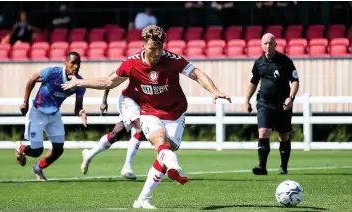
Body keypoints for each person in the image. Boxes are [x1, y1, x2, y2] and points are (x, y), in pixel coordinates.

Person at [61, 25, 231, 209]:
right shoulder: (131, 63)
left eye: (159, 49)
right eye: (152, 49)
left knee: (164, 155)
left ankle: (143, 198)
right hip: (150, 112)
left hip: (175, 113)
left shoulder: (172, 60)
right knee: (160, 142)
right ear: (143, 45)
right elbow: (108, 82)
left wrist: (214, 90)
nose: (156, 54)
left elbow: (196, 74)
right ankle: (175, 167)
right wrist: (79, 81)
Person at [14, 51, 87, 181]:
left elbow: (77, 107)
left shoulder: (79, 83)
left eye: (78, 63)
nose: (76, 66)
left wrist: (80, 113)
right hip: (37, 112)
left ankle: (38, 168)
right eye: (73, 63)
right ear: (65, 63)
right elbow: (32, 79)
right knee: (37, 151)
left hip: (54, 114)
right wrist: (25, 102)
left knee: (58, 149)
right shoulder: (53, 72)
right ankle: (20, 148)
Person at [245, 33, 299, 175]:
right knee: (263, 132)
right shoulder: (258, 63)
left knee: (283, 135)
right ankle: (262, 167)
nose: (268, 46)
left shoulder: (285, 61)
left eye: (270, 43)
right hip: (264, 103)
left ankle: (283, 166)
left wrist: (291, 98)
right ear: (261, 45)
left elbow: (294, 81)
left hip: (282, 105)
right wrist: (247, 100)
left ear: (276, 44)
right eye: (265, 43)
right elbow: (253, 83)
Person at [80, 74, 144, 180]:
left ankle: (89, 154)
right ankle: (127, 167)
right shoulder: (134, 63)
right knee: (140, 129)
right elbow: (110, 79)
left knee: (117, 134)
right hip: (128, 100)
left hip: (142, 103)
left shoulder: (161, 67)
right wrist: (104, 100)